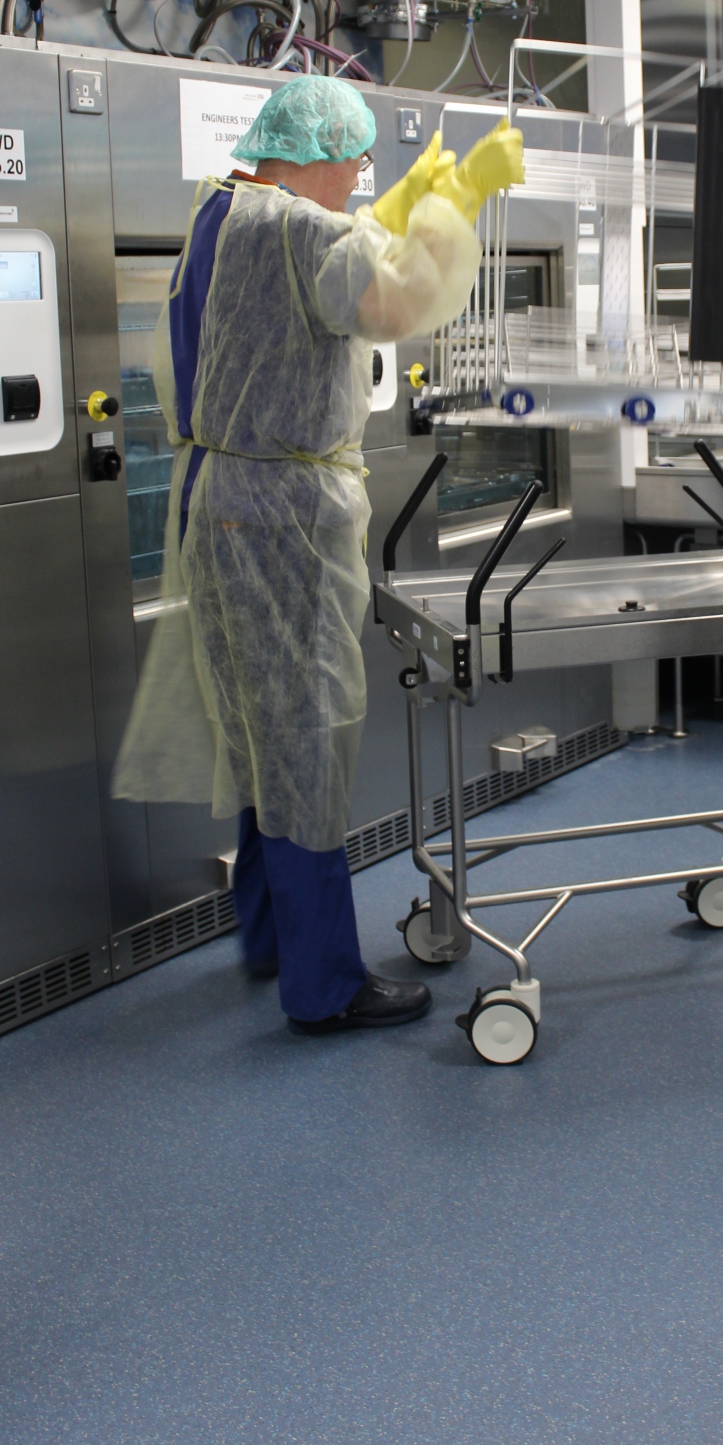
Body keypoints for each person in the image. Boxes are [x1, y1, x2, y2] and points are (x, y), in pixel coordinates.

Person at [114, 75, 524, 1032]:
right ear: (319, 151)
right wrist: (460, 198)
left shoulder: (222, 212)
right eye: (355, 164)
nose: (355, 181)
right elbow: (393, 299)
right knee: (303, 732)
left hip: (223, 501)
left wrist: (394, 206)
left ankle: (271, 939)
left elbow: (333, 263)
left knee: (264, 732)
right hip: (283, 515)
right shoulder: (297, 228)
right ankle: (325, 985)